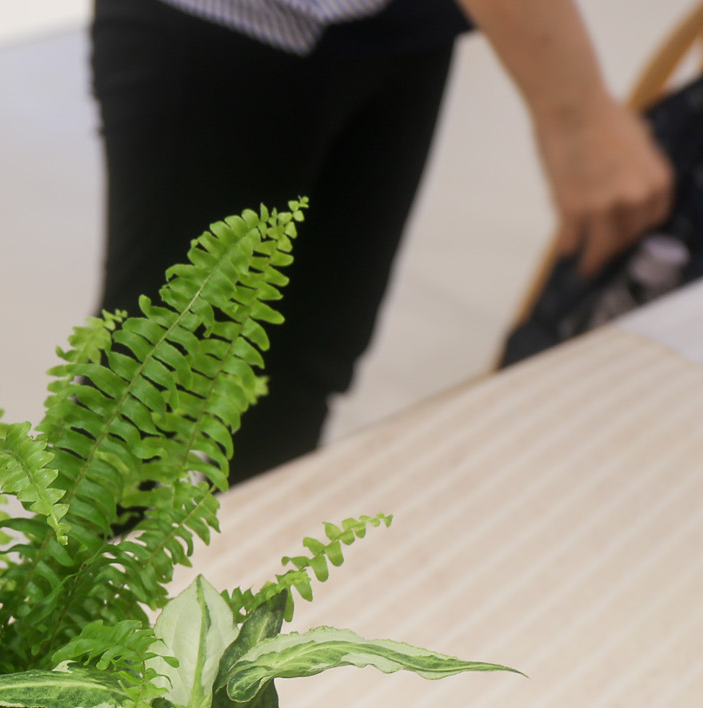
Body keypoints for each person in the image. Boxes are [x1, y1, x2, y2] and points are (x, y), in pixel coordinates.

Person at [91, 0, 674, 481]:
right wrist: (575, 112)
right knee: (159, 379)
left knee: (303, 367)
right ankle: (85, 587)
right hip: (230, 26)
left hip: (400, 29)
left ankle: (239, 575)